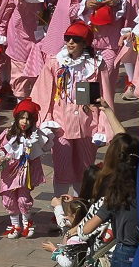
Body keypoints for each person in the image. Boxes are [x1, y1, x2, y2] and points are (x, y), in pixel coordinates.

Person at [31, 21, 116, 196]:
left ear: (85, 43)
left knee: (85, 167)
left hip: (87, 124)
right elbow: (43, 92)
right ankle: (59, 209)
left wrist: (103, 126)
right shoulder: (55, 62)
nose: (70, 42)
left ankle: (79, 207)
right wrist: (45, 121)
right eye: (68, 38)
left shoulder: (96, 65)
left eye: (76, 39)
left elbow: (105, 95)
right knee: (62, 167)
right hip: (61, 125)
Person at [0, 98, 54, 238]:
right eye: (22, 118)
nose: (24, 122)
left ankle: (27, 221)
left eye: (28, 119)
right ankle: (15, 224)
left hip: (25, 174)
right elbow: (0, 149)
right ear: (16, 117)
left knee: (23, 199)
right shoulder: (8, 134)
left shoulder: (34, 136)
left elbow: (44, 146)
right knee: (8, 200)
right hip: (9, 173)